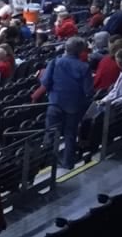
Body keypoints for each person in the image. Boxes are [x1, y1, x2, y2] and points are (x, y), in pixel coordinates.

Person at [40, 36, 95, 170]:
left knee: (51, 134)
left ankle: (46, 163)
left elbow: (45, 82)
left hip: (55, 102)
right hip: (74, 105)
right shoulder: (84, 67)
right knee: (70, 134)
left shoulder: (54, 62)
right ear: (80, 51)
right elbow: (88, 90)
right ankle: (67, 163)